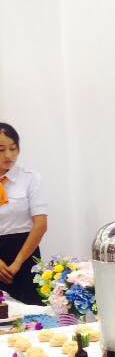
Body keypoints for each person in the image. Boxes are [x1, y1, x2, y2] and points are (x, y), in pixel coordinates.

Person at [0, 123, 48, 306]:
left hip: (25, 254)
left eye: (13, 148)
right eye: (1, 150)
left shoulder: (30, 178)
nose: (8, 155)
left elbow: (41, 224)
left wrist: (18, 262)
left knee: (32, 312)